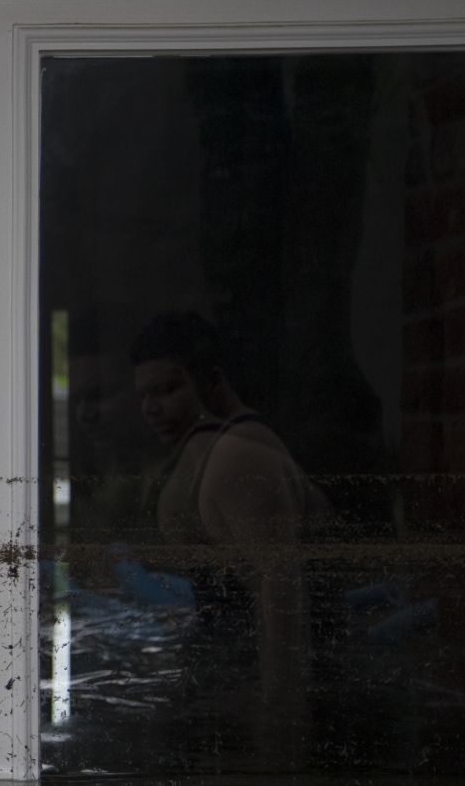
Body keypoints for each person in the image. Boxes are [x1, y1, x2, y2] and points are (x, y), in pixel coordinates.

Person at [130, 312, 328, 763]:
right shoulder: (221, 448)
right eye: (143, 395)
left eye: (167, 389)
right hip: (235, 678)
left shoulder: (238, 455)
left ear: (212, 380)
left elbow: (281, 587)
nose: (150, 408)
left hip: (265, 696)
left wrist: (278, 717)